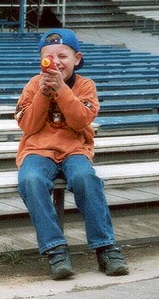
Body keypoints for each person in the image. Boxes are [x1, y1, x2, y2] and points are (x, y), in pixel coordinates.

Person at [14, 28, 129, 280]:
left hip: (75, 149)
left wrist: (62, 91)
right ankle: (55, 249)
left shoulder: (86, 86)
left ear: (76, 58)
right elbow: (28, 126)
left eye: (63, 56)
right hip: (38, 150)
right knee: (30, 180)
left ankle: (105, 247)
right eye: (49, 57)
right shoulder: (34, 85)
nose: (56, 63)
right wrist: (44, 93)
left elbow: (80, 121)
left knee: (85, 179)